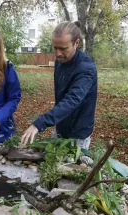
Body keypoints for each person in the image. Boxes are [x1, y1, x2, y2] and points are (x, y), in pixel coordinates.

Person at [20, 21, 97, 149]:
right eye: (55, 47)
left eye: (63, 48)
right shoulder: (60, 61)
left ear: (76, 43)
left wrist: (40, 123)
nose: (57, 53)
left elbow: (72, 100)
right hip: (60, 126)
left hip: (78, 134)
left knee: (71, 168)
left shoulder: (86, 68)